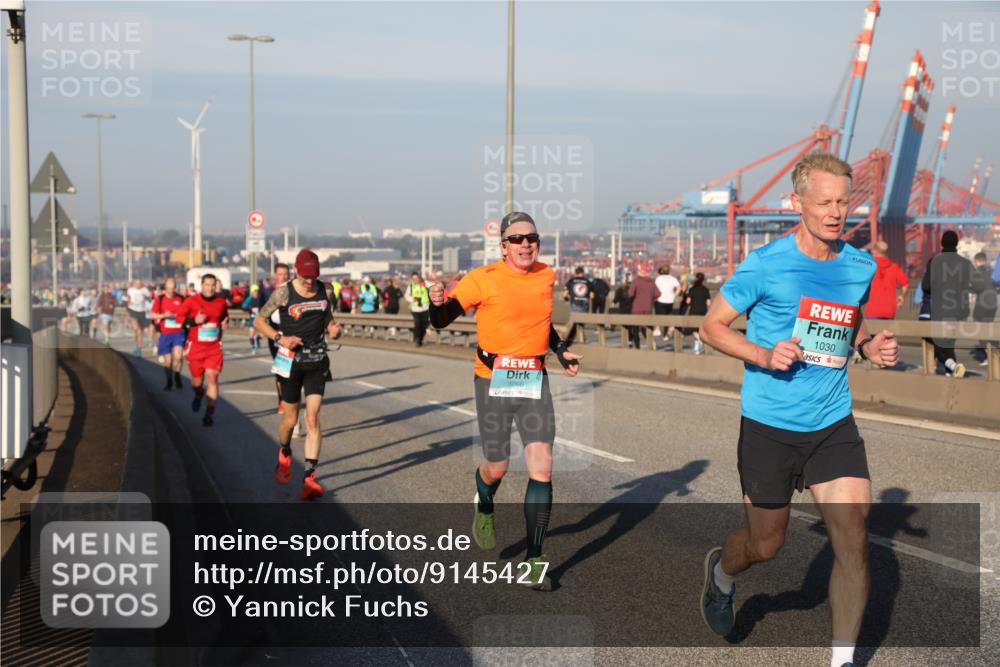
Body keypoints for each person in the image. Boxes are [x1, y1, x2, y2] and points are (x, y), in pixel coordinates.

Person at [697, 152, 898, 667]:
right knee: (766, 546)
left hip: (832, 423)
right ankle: (722, 572)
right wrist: (763, 354)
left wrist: (868, 348)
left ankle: (842, 661)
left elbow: (849, 322)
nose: (836, 212)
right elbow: (712, 327)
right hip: (770, 426)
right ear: (797, 202)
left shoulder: (860, 264)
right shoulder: (766, 263)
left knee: (853, 540)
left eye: (843, 201)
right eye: (824, 201)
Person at [428, 211, 582, 591]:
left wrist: (561, 351)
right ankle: (484, 499)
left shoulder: (546, 276)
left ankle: (534, 560)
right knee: (497, 467)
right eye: (517, 239)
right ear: (503, 246)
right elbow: (443, 319)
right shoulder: (483, 278)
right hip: (492, 382)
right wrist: (436, 302)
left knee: (542, 465)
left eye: (532, 237)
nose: (525, 243)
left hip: (533, 380)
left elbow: (540, 322)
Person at [254, 249, 342, 500]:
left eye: (313, 276)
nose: (309, 281)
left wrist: (334, 328)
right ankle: (284, 451)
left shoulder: (326, 290)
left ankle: (309, 479)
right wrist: (280, 337)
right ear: (296, 271)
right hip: (290, 363)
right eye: (305, 276)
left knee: (312, 418)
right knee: (290, 421)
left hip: (316, 361)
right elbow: (260, 321)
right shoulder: (283, 292)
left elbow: (328, 318)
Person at [920, 230, 973, 378]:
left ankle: (952, 365)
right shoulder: (965, 263)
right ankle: (952, 373)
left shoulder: (934, 261)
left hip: (939, 308)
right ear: (956, 243)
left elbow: (926, 286)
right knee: (949, 343)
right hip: (959, 310)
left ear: (942, 243)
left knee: (935, 339)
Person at [179, 274, 229, 427]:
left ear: (216, 286)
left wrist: (224, 324)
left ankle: (209, 413)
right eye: (207, 285)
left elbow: (223, 318)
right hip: (196, 348)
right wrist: (194, 321)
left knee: (212, 377)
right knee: (196, 382)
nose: (210, 288)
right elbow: (179, 318)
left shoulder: (221, 302)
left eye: (213, 285)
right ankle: (198, 393)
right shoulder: (191, 301)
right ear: (202, 285)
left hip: (214, 348)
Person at [150, 278, 187, 390]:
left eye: (173, 288)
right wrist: (164, 315)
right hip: (165, 333)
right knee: (168, 360)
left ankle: (177, 375)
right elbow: (153, 315)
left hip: (178, 332)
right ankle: (169, 380)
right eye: (169, 288)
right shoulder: (160, 299)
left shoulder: (181, 298)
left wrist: (180, 317)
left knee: (178, 356)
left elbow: (187, 312)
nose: (171, 290)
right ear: (165, 288)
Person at [864, 240, 909, 321]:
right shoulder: (894, 267)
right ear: (886, 253)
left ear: (874, 251)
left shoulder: (868, 266)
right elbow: (905, 284)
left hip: (873, 311)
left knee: (874, 333)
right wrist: (902, 296)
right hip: (889, 311)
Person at [970, 252, 998, 366]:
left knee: (980, 327)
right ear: (985, 260)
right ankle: (993, 351)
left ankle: (986, 356)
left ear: (977, 261)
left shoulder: (977, 272)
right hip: (993, 304)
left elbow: (977, 288)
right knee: (988, 327)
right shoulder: (992, 271)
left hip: (982, 304)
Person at [628, 266, 660, 349]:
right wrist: (650, 298)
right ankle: (651, 342)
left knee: (635, 328)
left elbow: (630, 294)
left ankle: (637, 346)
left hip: (637, 308)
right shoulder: (652, 282)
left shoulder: (635, 281)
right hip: (648, 308)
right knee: (646, 327)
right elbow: (658, 294)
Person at [683, 272, 711, 354]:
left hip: (694, 311)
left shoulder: (692, 289)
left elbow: (688, 301)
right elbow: (709, 303)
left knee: (694, 329)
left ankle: (697, 342)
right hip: (703, 311)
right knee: (700, 328)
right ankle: (700, 344)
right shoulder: (706, 289)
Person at [562, 267, 592, 344]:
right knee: (581, 322)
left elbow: (565, 294)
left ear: (576, 273)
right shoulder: (587, 281)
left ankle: (568, 339)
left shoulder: (571, 281)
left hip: (574, 304)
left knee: (573, 321)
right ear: (583, 272)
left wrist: (566, 299)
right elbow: (592, 296)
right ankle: (582, 338)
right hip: (584, 305)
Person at [654, 264, 681, 337]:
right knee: (669, 315)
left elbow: (655, 288)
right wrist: (675, 294)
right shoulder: (673, 278)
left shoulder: (658, 279)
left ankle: (658, 328)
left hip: (660, 299)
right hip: (670, 300)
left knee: (659, 316)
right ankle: (670, 328)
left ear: (661, 271)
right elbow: (679, 287)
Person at [126, 279, 150, 357]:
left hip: (142, 312)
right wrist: (129, 302)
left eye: (139, 283)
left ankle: (139, 348)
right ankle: (136, 346)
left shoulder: (145, 290)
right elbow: (128, 299)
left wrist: (145, 299)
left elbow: (150, 298)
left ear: (141, 283)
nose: (138, 284)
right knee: (137, 329)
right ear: (134, 284)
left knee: (140, 332)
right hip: (133, 311)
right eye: (136, 283)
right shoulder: (130, 290)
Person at [406, 272, 430, 347]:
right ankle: (417, 339)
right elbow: (406, 296)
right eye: (413, 279)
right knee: (417, 324)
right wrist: (413, 299)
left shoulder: (425, 284)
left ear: (419, 277)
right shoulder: (411, 286)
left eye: (416, 278)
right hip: (415, 308)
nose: (415, 280)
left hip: (425, 308)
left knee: (423, 326)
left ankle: (420, 339)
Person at [242, 284, 265, 353]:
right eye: (255, 291)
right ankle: (253, 348)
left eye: (257, 291)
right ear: (252, 291)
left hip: (259, 319)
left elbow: (265, 305)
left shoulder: (260, 298)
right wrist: (249, 309)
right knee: (251, 334)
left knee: (263, 334)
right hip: (252, 318)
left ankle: (257, 338)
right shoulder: (249, 298)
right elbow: (243, 306)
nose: (256, 292)